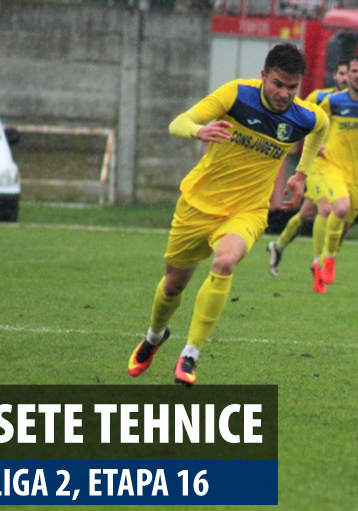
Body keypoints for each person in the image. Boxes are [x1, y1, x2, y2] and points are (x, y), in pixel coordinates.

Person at [127, 43, 328, 385]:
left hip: (247, 210)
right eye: (278, 84)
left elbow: (321, 129)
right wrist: (199, 130)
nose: (284, 94)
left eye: (292, 87)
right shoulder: (236, 95)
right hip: (197, 204)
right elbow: (179, 122)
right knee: (173, 285)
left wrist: (301, 173)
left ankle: (190, 355)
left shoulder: (305, 116)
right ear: (263, 76)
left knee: (224, 262)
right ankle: (154, 336)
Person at [270, 55, 358, 293]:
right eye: (352, 71)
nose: (355, 76)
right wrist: (313, 143)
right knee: (332, 208)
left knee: (330, 220)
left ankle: (284, 248)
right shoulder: (328, 100)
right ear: (341, 75)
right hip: (327, 166)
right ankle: (322, 261)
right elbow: (307, 121)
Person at [267, 60, 349, 277]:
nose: (345, 78)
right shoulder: (319, 97)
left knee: (306, 214)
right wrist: (312, 142)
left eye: (347, 74)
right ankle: (318, 263)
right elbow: (297, 118)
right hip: (317, 165)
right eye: (341, 73)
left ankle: (278, 246)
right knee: (326, 209)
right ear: (335, 76)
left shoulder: (356, 104)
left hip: (339, 169)